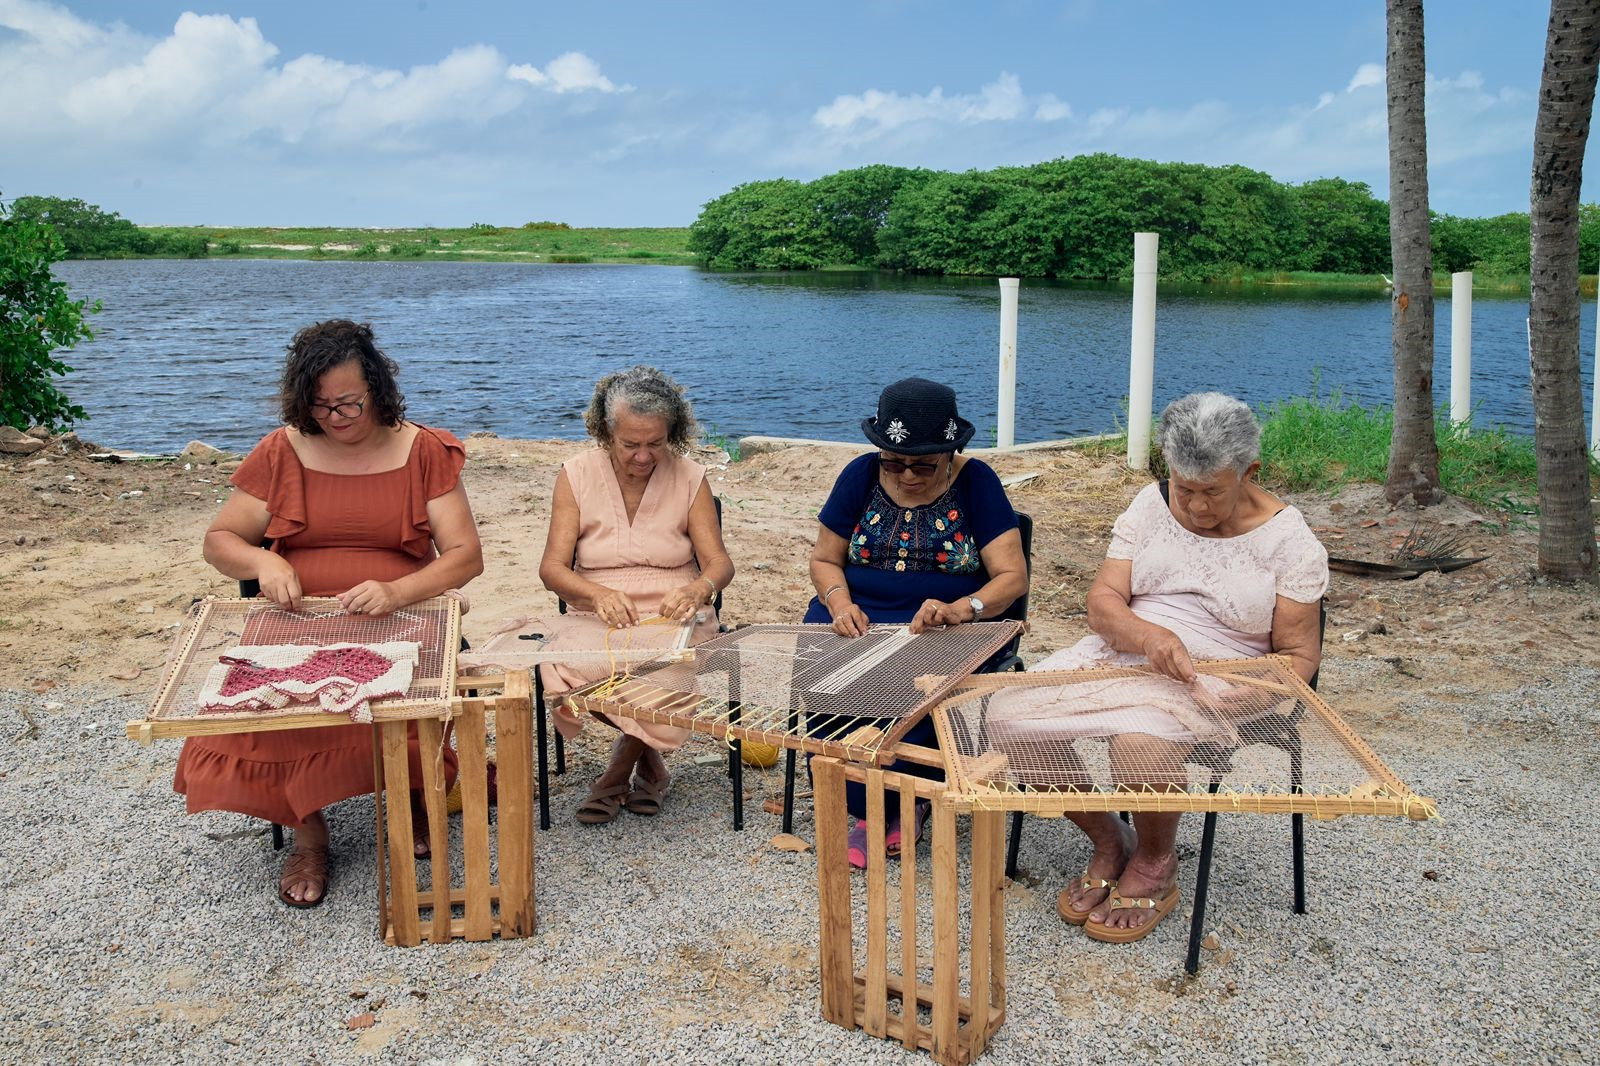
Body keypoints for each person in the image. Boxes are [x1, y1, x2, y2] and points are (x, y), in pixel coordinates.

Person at [175, 320, 484, 908]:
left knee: (413, 695)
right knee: (275, 694)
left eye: (349, 402)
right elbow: (220, 539)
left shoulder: (424, 450)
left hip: (400, 611)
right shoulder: (281, 451)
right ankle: (309, 831)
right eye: (321, 406)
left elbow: (466, 557)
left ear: (377, 387)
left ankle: (415, 798)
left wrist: (398, 592)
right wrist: (261, 564)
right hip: (298, 614)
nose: (337, 417)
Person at [1011, 392, 1326, 943]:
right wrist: (1147, 635)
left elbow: (1299, 659)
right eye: (1184, 489)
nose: (1196, 508)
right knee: (1010, 720)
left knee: (1139, 745)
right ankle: (1110, 839)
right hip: (1124, 651)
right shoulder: (1150, 505)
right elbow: (1104, 599)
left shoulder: (1291, 542)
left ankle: (1157, 860)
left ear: (1249, 472)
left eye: (1212, 493)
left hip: (1222, 675)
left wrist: (1240, 696)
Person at [805, 377, 1028, 867]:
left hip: (945, 622)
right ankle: (862, 803)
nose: (906, 475)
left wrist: (963, 608)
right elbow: (824, 559)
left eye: (923, 465)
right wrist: (839, 603)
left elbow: (1012, 578)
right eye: (894, 461)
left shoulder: (977, 482)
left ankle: (913, 795)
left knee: (919, 673)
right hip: (856, 612)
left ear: (951, 452)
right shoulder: (860, 476)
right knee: (822, 659)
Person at [537, 365, 734, 825]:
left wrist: (699, 587)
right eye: (630, 444)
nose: (644, 456)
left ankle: (613, 776)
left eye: (655, 443)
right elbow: (551, 569)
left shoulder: (690, 476)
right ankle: (652, 768)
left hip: (676, 613)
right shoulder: (575, 475)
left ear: (673, 433)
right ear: (607, 433)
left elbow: (720, 563)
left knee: (665, 681)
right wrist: (593, 592)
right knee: (565, 672)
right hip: (595, 613)